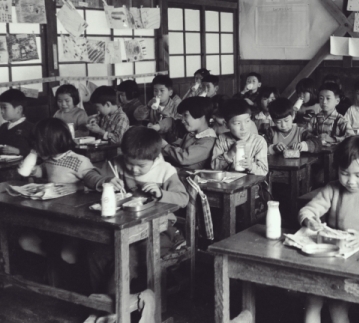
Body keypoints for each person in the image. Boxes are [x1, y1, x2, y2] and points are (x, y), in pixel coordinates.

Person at [298, 137, 359, 323]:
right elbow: (308, 210)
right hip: (331, 258)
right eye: (344, 173)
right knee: (312, 298)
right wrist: (310, 221)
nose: (350, 181)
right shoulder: (333, 189)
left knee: (337, 305)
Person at [86, 127, 188, 296]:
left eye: (140, 166)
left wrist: (162, 193)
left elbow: (183, 199)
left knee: (129, 252)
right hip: (122, 227)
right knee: (96, 251)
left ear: (154, 157)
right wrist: (106, 180)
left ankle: (117, 305)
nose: (133, 170)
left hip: (159, 229)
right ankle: (100, 301)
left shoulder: (165, 170)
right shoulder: (116, 164)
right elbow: (89, 176)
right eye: (129, 163)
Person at [18, 118, 98, 266]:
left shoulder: (79, 161)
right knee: (25, 241)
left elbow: (95, 184)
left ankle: (69, 273)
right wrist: (35, 170)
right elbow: (47, 170)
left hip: (72, 220)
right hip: (50, 213)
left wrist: (78, 187)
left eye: (37, 145)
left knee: (68, 255)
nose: (34, 149)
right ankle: (54, 264)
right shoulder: (49, 159)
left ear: (50, 144)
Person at [211, 99, 268, 175]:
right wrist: (230, 153)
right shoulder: (222, 139)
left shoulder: (258, 141)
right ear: (226, 125)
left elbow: (264, 171)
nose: (243, 128)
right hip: (228, 184)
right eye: (237, 123)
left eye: (247, 121)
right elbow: (214, 168)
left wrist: (251, 166)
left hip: (252, 185)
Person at [161, 97, 216, 170]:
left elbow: (184, 157)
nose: (182, 121)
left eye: (185, 115)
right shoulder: (191, 134)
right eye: (182, 116)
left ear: (201, 115)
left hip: (189, 177)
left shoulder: (207, 141)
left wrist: (165, 146)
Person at [0, 88, 34, 155]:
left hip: (23, 164)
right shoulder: (3, 127)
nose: (1, 111)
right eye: (0, 108)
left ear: (19, 109)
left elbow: (38, 152)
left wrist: (18, 151)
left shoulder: (31, 128)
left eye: (4, 107)